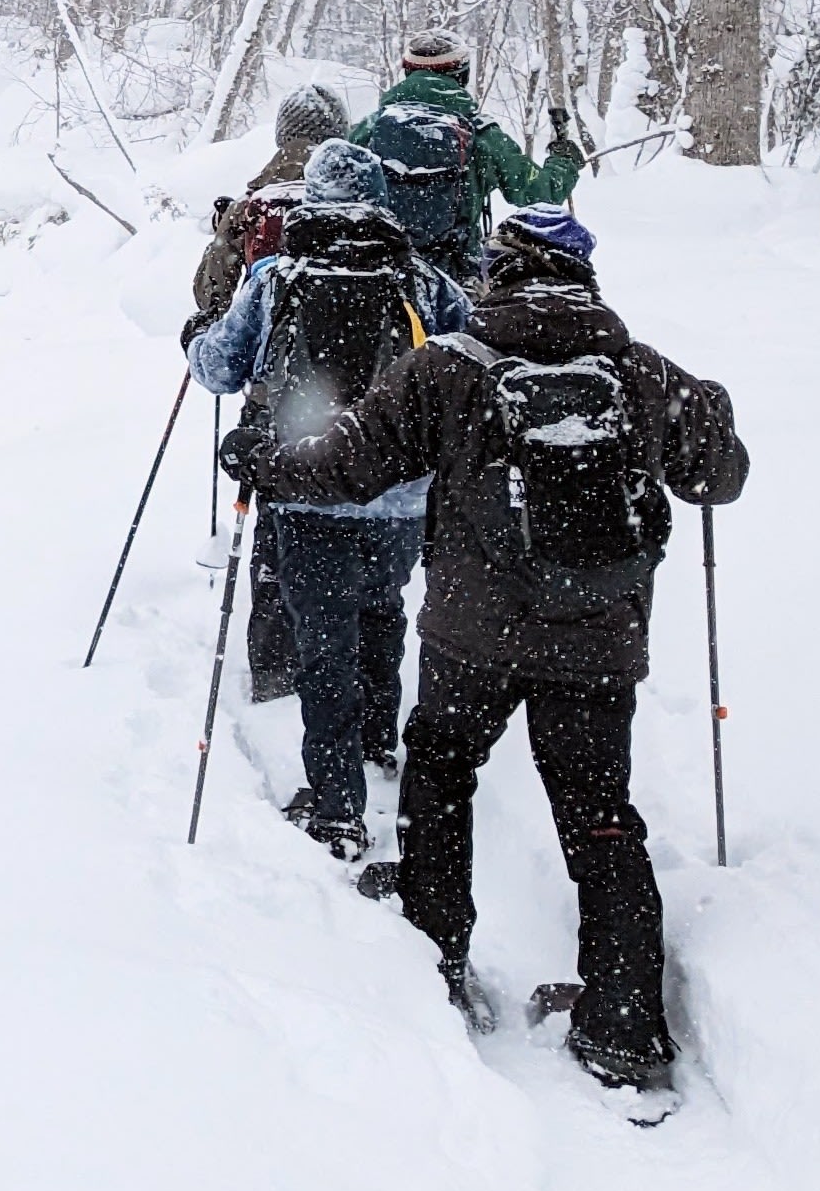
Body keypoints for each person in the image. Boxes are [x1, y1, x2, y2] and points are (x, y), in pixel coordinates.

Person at [219, 206, 748, 1099]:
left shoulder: (451, 369)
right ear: (585, 278)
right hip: (600, 638)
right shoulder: (643, 372)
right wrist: (710, 416)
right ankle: (620, 1025)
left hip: (476, 633)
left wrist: (266, 457)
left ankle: (437, 957)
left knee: (443, 768)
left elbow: (352, 464)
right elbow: (719, 478)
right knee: (600, 810)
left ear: (502, 272)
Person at [185, 140, 473, 859]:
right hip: (399, 495)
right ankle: (378, 748)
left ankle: (339, 810)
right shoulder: (423, 281)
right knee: (382, 612)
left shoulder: (277, 276)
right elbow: (464, 365)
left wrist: (194, 336)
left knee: (323, 648)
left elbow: (221, 369)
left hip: (302, 484)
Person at [187, 82, 354, 708]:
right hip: (360, 394)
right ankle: (355, 667)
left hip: (273, 392)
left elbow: (212, 292)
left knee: (277, 538)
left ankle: (277, 670)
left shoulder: (255, 201)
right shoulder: (353, 191)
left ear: (283, 133)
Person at [354, 31, 587, 279]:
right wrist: (564, 161)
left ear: (408, 72)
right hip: (455, 274)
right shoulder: (481, 133)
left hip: (379, 273)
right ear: (461, 74)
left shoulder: (370, 128)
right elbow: (540, 194)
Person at [188, 81, 352, 328]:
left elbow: (210, 294)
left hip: (265, 330)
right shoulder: (354, 201)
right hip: (342, 327)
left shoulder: (250, 205)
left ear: (282, 133)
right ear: (338, 133)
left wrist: (226, 225)